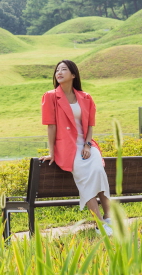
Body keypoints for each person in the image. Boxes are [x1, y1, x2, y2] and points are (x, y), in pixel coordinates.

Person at [40, 59, 113, 235]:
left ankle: (109, 217)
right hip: (67, 148)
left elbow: (90, 126)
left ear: (73, 74)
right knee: (85, 178)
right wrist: (52, 152)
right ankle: (100, 223)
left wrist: (87, 145)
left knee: (98, 171)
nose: (59, 72)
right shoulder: (50, 96)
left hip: (87, 145)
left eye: (64, 69)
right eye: (57, 70)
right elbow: (51, 126)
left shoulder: (85, 97)